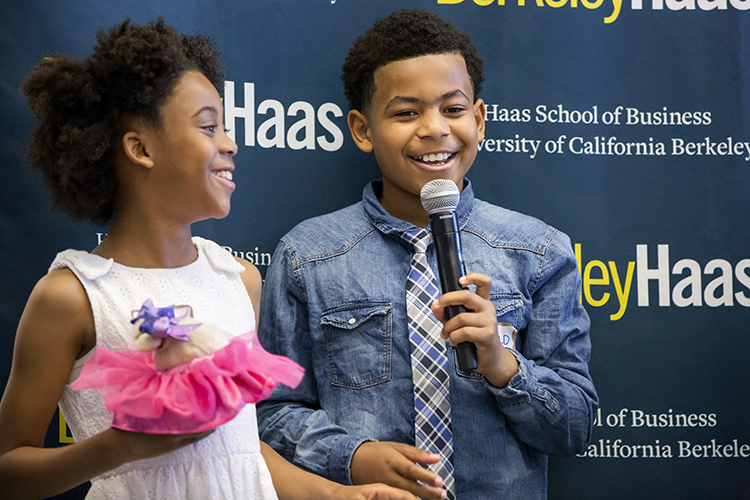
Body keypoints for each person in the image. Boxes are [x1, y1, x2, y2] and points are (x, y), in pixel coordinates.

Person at [0, 17, 419, 500]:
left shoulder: (240, 280)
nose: (230, 143)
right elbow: (10, 469)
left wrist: (344, 495)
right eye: (208, 126)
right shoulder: (72, 296)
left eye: (227, 126)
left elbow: (243, 453)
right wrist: (120, 447)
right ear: (139, 148)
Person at [256, 9, 599, 500]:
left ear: (479, 120)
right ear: (362, 129)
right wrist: (352, 457)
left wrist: (503, 365)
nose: (434, 129)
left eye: (453, 109)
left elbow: (575, 426)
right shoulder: (308, 256)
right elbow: (270, 413)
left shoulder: (538, 251)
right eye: (405, 112)